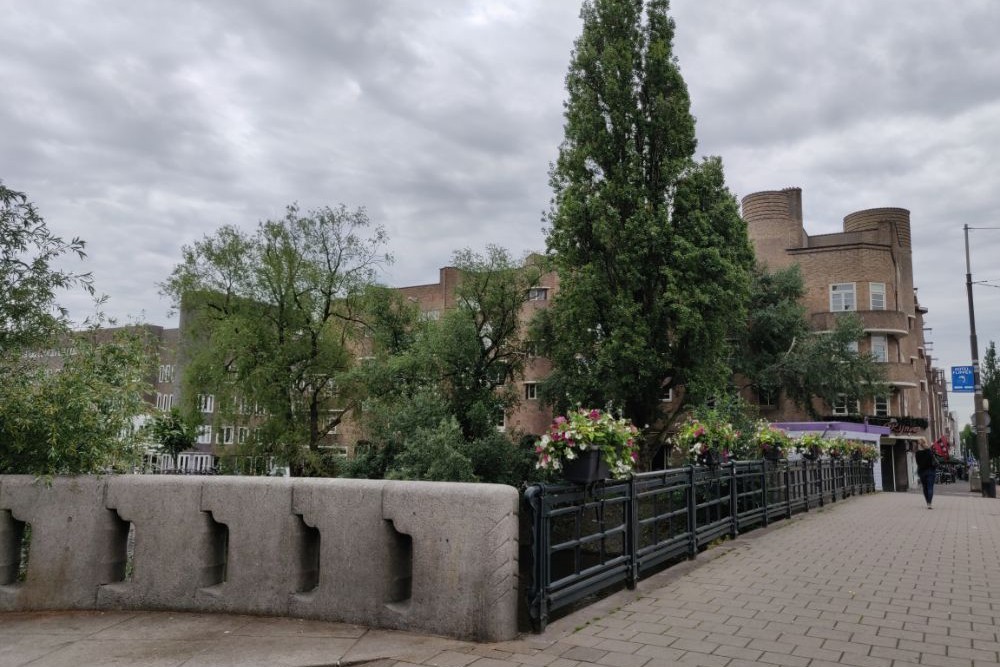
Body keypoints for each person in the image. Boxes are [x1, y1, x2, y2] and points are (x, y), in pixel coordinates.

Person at [915, 440, 938, 509]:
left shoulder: (917, 453)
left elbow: (918, 463)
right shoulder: (929, 452)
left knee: (925, 488)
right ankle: (929, 503)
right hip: (930, 471)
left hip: (922, 472)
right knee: (930, 487)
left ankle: (927, 502)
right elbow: (933, 459)